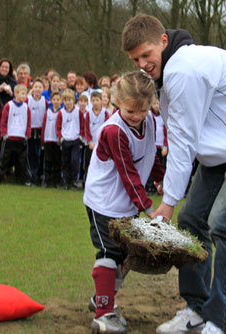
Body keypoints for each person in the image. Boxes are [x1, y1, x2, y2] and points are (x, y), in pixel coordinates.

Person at [121, 14, 226, 334]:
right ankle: (196, 308)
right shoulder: (169, 72)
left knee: (225, 225)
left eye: (146, 54)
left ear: (163, 42)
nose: (142, 63)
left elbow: (183, 142)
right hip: (224, 150)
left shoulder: (184, 70)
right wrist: (168, 187)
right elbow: (183, 137)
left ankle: (219, 320)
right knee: (192, 221)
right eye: (135, 59)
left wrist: (167, 203)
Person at [83, 71, 165, 334]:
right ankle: (103, 314)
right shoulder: (113, 131)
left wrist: (161, 179)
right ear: (117, 101)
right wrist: (148, 207)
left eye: (143, 109)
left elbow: (151, 154)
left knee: (129, 254)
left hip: (127, 203)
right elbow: (127, 173)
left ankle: (102, 295)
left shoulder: (150, 120)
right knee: (109, 253)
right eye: (131, 110)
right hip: (104, 202)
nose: (138, 115)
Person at [0, 84, 31, 185]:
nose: (24, 96)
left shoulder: (26, 107)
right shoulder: (9, 105)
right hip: (9, 137)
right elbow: (3, 120)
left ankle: (24, 180)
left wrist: (27, 134)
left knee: (23, 160)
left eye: (25, 94)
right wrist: (4, 134)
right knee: (4, 159)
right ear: (16, 94)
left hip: (21, 137)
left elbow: (28, 122)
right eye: (22, 94)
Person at [56, 89, 84, 190]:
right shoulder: (61, 113)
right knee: (65, 161)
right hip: (65, 140)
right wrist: (61, 138)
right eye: (66, 100)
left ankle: (74, 182)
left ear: (73, 100)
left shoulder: (79, 112)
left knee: (74, 161)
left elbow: (82, 125)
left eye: (70, 100)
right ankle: (66, 181)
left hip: (76, 140)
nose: (68, 102)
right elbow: (58, 127)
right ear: (63, 101)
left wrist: (80, 136)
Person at [26, 78, 49, 185]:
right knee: (30, 154)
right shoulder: (27, 100)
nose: (37, 89)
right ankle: (30, 176)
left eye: (40, 87)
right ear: (32, 88)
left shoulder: (44, 101)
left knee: (39, 154)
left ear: (43, 89)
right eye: (36, 87)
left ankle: (38, 176)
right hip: (30, 130)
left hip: (40, 130)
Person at [83, 91, 109, 184]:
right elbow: (86, 129)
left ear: (101, 101)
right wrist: (90, 142)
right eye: (93, 100)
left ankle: (99, 182)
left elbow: (106, 128)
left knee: (100, 164)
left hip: (101, 144)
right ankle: (86, 182)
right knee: (88, 163)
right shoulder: (88, 114)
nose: (95, 102)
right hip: (91, 144)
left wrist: (102, 142)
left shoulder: (105, 113)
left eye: (97, 100)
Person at [41, 91, 62, 188]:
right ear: (51, 100)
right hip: (48, 139)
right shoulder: (48, 111)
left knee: (57, 161)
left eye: (58, 99)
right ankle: (47, 180)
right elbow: (44, 126)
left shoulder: (62, 112)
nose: (56, 101)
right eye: (54, 99)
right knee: (47, 161)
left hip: (56, 140)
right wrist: (43, 140)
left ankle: (56, 181)